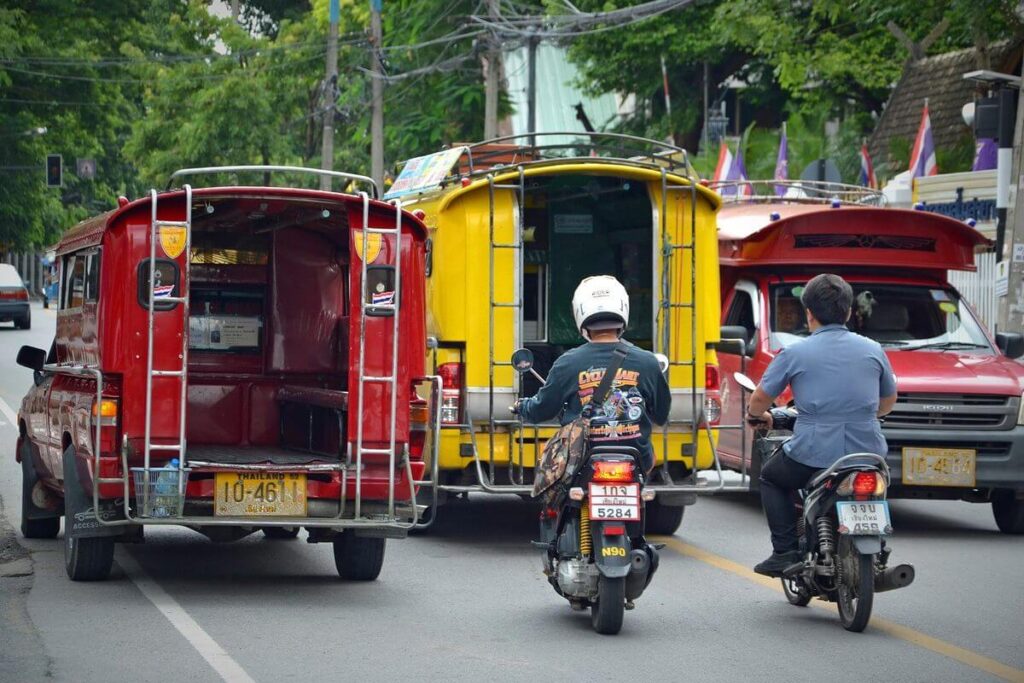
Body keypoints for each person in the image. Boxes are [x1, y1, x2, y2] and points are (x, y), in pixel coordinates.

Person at [746, 273, 897, 576]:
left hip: (813, 452)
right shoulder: (873, 349)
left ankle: (785, 551)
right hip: (867, 451)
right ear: (849, 312)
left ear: (809, 313)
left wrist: (756, 414)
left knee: (771, 478)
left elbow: (760, 400)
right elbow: (887, 402)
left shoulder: (794, 352)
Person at [511, 275, 670, 475]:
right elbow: (662, 414)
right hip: (637, 457)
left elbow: (544, 409)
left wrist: (523, 406)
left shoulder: (567, 363)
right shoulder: (647, 361)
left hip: (581, 457)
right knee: (649, 459)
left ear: (580, 314)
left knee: (554, 494)